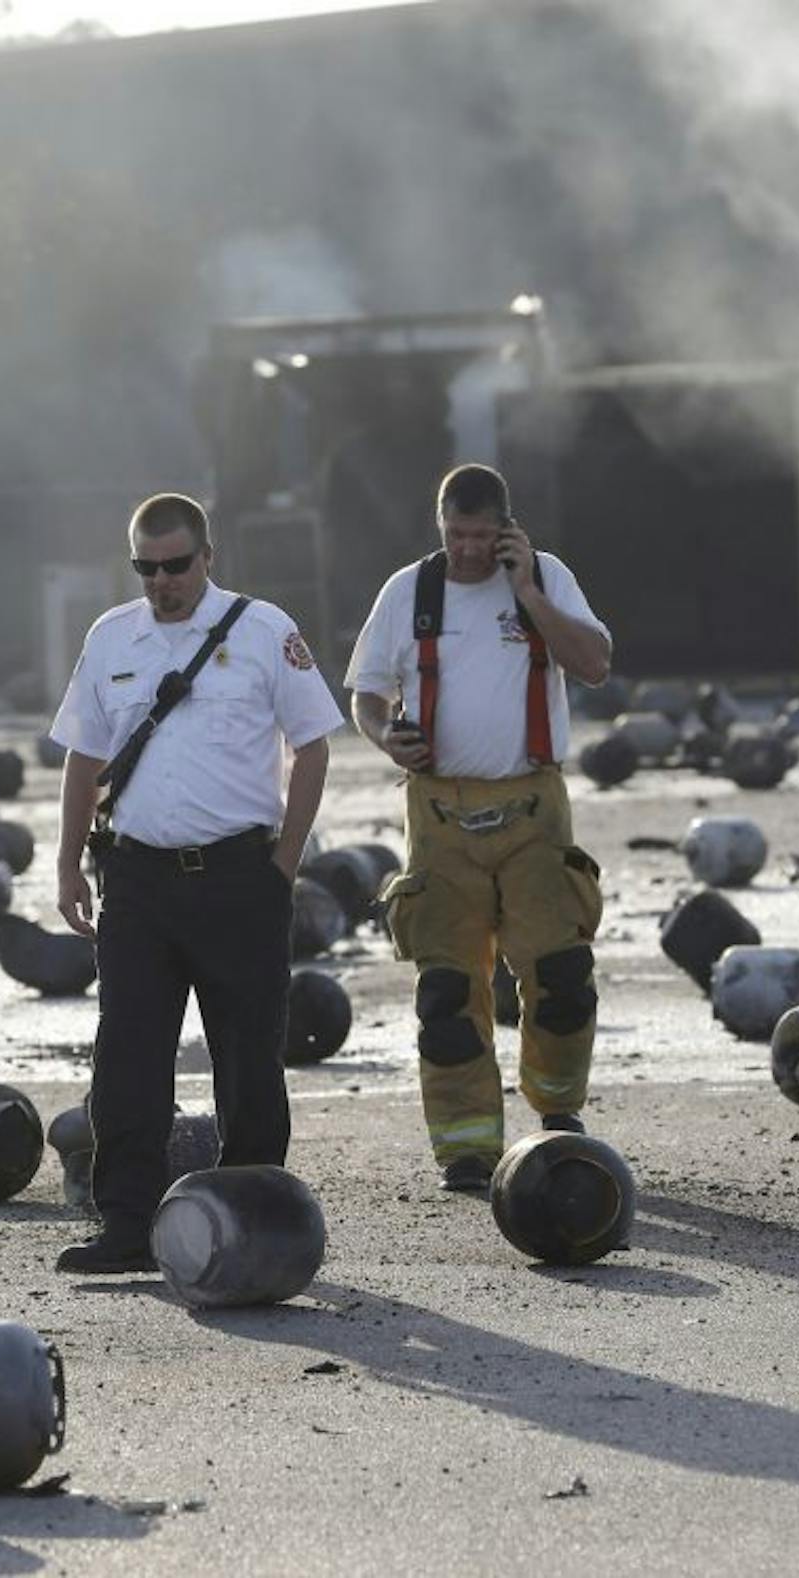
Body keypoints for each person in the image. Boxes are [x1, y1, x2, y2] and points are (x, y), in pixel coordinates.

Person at [47, 493, 344, 1273]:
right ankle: (125, 1227)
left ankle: (254, 1220)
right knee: (128, 1060)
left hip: (238, 878)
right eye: (146, 568)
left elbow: (313, 745)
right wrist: (67, 859)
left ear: (207, 557)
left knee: (247, 1061)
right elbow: (83, 755)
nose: (162, 582)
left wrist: (284, 863)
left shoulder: (263, 630)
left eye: (176, 565)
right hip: (137, 881)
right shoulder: (112, 636)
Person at [345, 464, 612, 1192]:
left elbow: (593, 665)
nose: (466, 549)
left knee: (558, 970)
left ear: (506, 528)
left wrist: (528, 595)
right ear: (440, 526)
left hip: (535, 806)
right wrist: (383, 736)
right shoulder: (408, 592)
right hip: (438, 815)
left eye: (480, 535)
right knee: (447, 992)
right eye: (454, 535)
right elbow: (366, 697)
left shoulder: (547, 576)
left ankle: (557, 1109)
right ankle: (465, 1146)